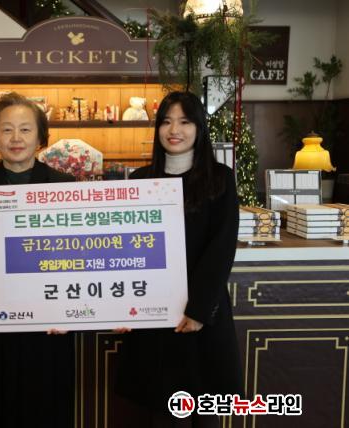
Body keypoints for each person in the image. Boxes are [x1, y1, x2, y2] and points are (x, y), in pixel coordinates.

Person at [115, 91, 243, 427]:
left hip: (200, 313)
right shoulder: (140, 180)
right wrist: (122, 305)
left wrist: (198, 310)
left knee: (204, 410)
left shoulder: (220, 179)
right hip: (153, 314)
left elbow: (221, 248)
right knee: (160, 411)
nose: (175, 130)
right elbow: (126, 248)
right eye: (167, 121)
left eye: (185, 122)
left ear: (199, 128)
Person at [0, 92, 76, 428]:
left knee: (48, 406)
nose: (16, 138)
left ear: (40, 137)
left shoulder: (63, 185)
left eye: (25, 129)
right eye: (6, 129)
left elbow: (76, 253)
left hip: (50, 321)